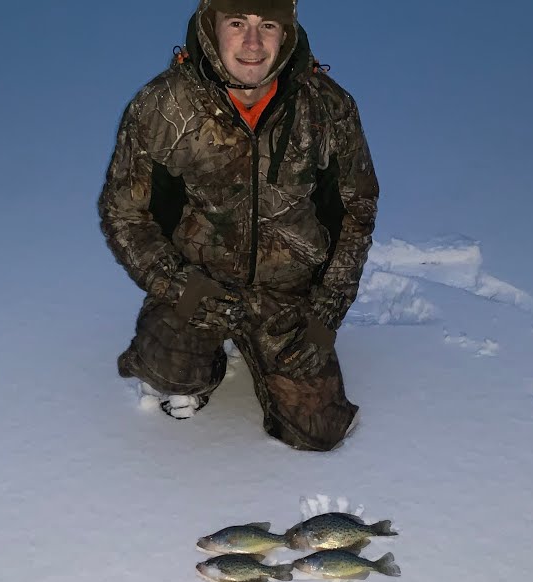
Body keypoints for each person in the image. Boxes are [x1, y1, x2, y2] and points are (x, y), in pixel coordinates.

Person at [97, 0, 379, 452]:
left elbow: (356, 211)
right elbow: (125, 215)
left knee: (320, 431)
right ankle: (201, 366)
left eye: (267, 25)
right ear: (212, 27)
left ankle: (261, 347)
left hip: (289, 295)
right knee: (167, 368)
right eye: (236, 24)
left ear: (286, 33)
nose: (252, 43)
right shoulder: (163, 106)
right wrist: (180, 287)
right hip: (199, 285)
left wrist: (326, 313)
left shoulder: (326, 106)